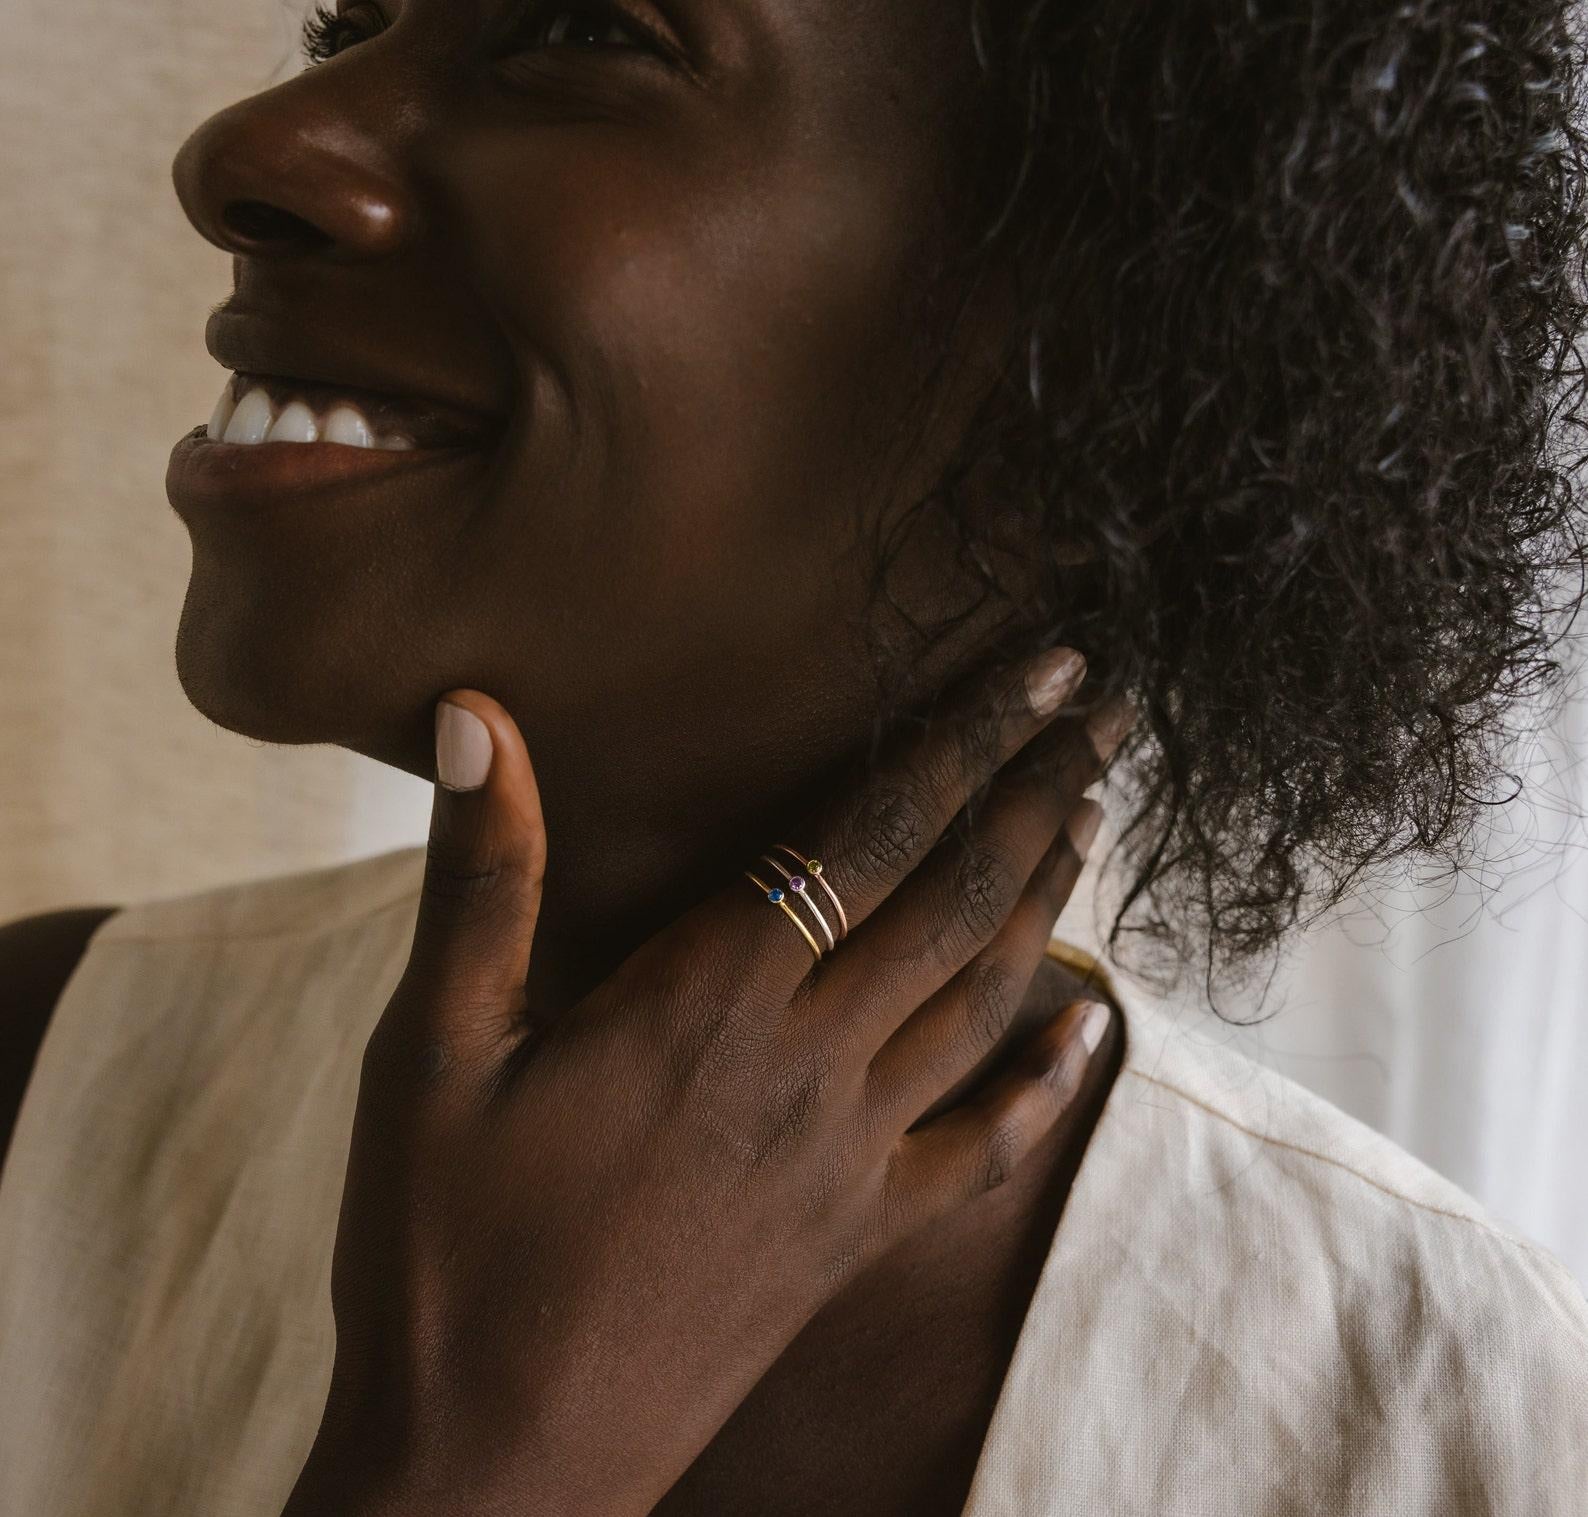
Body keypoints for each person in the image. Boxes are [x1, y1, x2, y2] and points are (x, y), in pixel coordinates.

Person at [2, 1, 1586, 1513]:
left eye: (588, 29)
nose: (248, 147)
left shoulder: (1479, 1435)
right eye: (355, 24)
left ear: (1115, 358)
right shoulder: (36, 1091)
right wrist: (476, 1466)